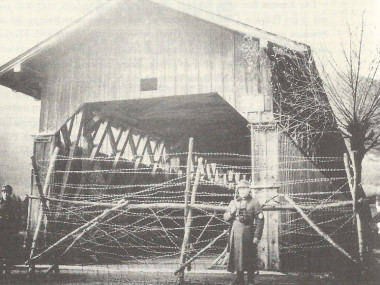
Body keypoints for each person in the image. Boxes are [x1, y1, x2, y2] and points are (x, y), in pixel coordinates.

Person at [224, 180, 264, 285]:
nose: (242, 191)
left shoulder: (254, 203)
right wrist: (231, 212)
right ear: (238, 190)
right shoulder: (233, 202)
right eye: (240, 189)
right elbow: (225, 217)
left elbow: (260, 221)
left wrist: (257, 236)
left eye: (244, 189)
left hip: (248, 234)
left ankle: (251, 280)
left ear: (249, 190)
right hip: (235, 233)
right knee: (237, 257)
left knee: (249, 256)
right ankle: (239, 280)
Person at [0, 185, 19, 278]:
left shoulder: (14, 203)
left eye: (7, 192)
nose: (5, 194)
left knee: (9, 251)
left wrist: (16, 229)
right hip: (1, 231)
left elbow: (18, 216)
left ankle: (7, 271)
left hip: (10, 231)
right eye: (3, 192)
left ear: (10, 193)